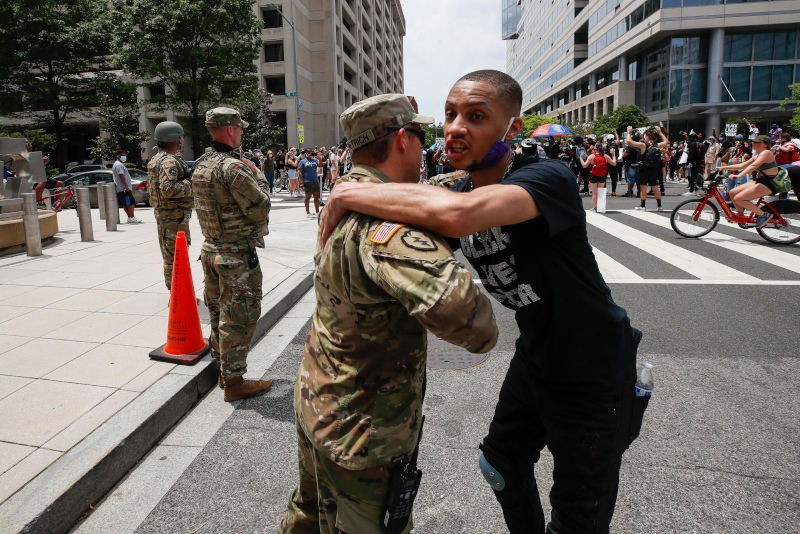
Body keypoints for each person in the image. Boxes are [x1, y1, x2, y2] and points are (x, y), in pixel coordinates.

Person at [320, 70, 645, 534]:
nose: (455, 127)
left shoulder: (544, 176)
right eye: (451, 114)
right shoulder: (457, 185)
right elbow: (425, 204)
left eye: (476, 116)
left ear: (512, 128)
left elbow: (457, 217)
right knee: (499, 466)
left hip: (593, 367)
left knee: (579, 517)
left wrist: (352, 190)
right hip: (536, 358)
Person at [279, 93, 498, 534]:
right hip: (362, 429)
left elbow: (432, 189)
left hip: (318, 397)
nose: (426, 147)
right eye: (421, 136)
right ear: (403, 140)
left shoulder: (347, 195)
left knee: (308, 513)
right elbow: (476, 328)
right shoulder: (389, 227)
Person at [191, 107, 273, 401]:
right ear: (231, 129)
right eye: (240, 128)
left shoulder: (200, 165)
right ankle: (235, 383)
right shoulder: (234, 168)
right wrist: (258, 174)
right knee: (238, 317)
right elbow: (261, 206)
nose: (241, 132)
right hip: (236, 257)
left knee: (217, 313)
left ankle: (225, 373)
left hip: (211, 251)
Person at [147, 121, 193, 290]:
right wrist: (190, 183)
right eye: (180, 137)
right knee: (177, 256)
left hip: (166, 215)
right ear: (174, 139)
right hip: (174, 217)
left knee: (170, 256)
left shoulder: (156, 159)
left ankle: (175, 293)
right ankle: (179, 296)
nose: (182, 140)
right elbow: (169, 189)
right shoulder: (169, 162)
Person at [718, 134, 792, 227]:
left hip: (770, 183)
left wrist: (739, 175)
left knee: (738, 198)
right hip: (760, 181)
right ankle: (740, 217)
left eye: (757, 142)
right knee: (733, 192)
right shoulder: (757, 155)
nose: (754, 143)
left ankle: (764, 215)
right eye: (753, 142)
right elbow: (741, 165)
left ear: (765, 144)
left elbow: (754, 166)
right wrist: (722, 167)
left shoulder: (766, 153)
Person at [580, 142, 615, 212]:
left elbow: (584, 165)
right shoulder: (605, 156)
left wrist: (581, 158)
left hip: (594, 175)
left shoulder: (592, 156)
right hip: (602, 176)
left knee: (594, 193)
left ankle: (594, 207)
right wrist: (613, 155)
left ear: (595, 149)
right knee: (601, 192)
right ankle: (601, 207)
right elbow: (614, 163)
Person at [112, 150, 141, 223]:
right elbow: (121, 176)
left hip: (123, 189)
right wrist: (126, 186)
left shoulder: (117, 164)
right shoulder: (119, 165)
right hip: (124, 189)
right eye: (123, 155)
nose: (124, 157)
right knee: (131, 203)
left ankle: (130, 217)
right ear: (118, 156)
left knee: (127, 203)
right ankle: (131, 216)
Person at [298, 149, 320, 218]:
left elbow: (321, 165)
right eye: (308, 153)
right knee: (308, 197)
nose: (309, 154)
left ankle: (317, 212)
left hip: (315, 180)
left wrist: (319, 158)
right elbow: (300, 172)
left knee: (316, 197)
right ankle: (308, 213)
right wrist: (301, 182)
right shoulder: (302, 161)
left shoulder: (315, 160)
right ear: (306, 154)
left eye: (311, 153)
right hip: (307, 181)